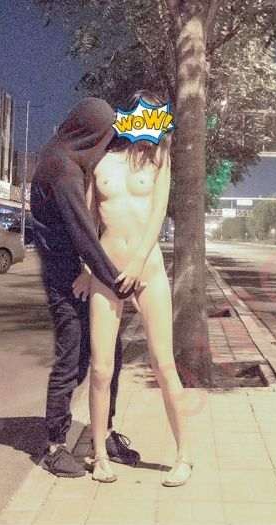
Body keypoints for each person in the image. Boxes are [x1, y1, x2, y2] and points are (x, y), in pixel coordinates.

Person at [84, 91, 192, 486]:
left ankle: (184, 456)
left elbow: (158, 214)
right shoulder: (100, 160)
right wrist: (86, 267)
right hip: (106, 271)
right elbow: (88, 219)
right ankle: (99, 454)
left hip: (148, 271)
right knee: (101, 368)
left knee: (163, 365)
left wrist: (137, 261)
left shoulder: (160, 160)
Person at [30, 98, 141, 478]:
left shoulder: (67, 157)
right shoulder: (60, 165)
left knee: (111, 352)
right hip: (64, 276)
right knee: (71, 356)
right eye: (104, 137)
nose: (105, 146)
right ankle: (55, 445)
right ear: (88, 134)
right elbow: (82, 232)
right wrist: (119, 283)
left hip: (82, 272)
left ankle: (103, 433)